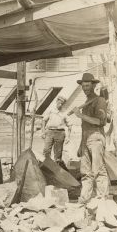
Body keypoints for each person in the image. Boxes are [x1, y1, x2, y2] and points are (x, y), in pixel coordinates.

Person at [70, 73, 109, 204]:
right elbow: (84, 127)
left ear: (93, 85)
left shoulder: (100, 101)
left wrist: (79, 115)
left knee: (98, 169)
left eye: (87, 86)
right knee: (85, 172)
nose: (85, 88)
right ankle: (85, 199)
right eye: (83, 86)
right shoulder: (87, 102)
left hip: (96, 137)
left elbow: (100, 122)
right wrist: (81, 145)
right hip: (86, 138)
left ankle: (102, 198)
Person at [41, 95, 71, 164]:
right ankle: (45, 166)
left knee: (58, 152)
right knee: (46, 150)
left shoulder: (65, 112)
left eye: (62, 103)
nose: (60, 105)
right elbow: (44, 121)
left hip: (60, 133)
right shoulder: (50, 110)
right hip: (50, 132)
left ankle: (56, 168)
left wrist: (68, 136)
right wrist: (43, 132)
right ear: (56, 101)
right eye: (59, 102)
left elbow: (69, 125)